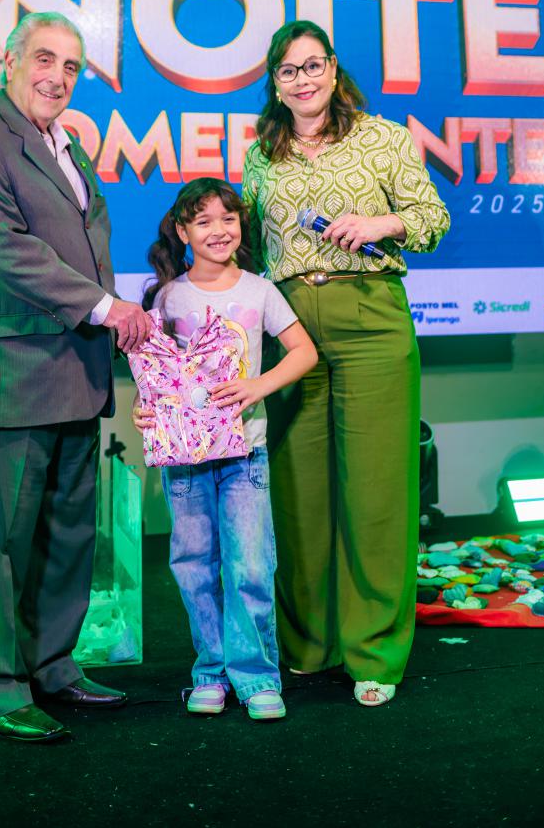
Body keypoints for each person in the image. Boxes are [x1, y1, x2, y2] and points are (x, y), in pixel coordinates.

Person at [0, 11, 151, 742]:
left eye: (71, 66)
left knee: (66, 537)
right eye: (46, 58)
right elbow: (4, 248)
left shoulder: (71, 147)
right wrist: (107, 307)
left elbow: (83, 245)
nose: (58, 76)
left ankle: (52, 666)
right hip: (8, 374)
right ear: (11, 62)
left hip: (77, 372)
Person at [242, 19, 450, 707]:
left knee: (376, 491)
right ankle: (308, 644)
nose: (302, 79)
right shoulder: (260, 155)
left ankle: (375, 652)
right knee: (297, 493)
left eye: (312, 65)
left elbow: (432, 220)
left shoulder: (384, 138)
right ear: (275, 84)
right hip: (289, 329)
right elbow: (246, 246)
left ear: (333, 69)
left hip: (370, 319)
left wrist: (381, 223)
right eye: (288, 70)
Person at [132, 178, 317, 720]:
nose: (219, 230)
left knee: (251, 567)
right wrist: (144, 409)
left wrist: (259, 386)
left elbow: (303, 351)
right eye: (204, 220)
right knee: (194, 565)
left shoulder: (260, 291)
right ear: (182, 231)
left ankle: (257, 677)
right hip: (185, 463)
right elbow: (156, 375)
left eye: (228, 218)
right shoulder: (167, 297)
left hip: (245, 457)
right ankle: (210, 672)